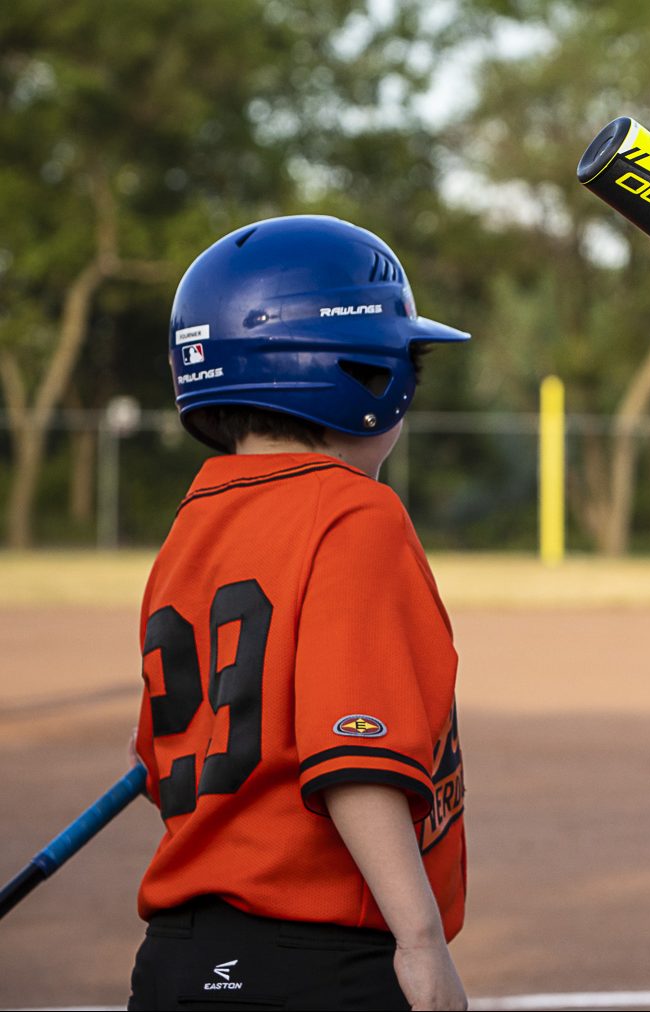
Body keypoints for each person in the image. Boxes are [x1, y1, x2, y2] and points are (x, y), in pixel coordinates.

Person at [128, 215, 471, 1011]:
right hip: (315, 962)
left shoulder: (191, 525)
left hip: (176, 964)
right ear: (366, 375)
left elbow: (160, 758)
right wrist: (421, 946)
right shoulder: (356, 516)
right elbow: (354, 756)